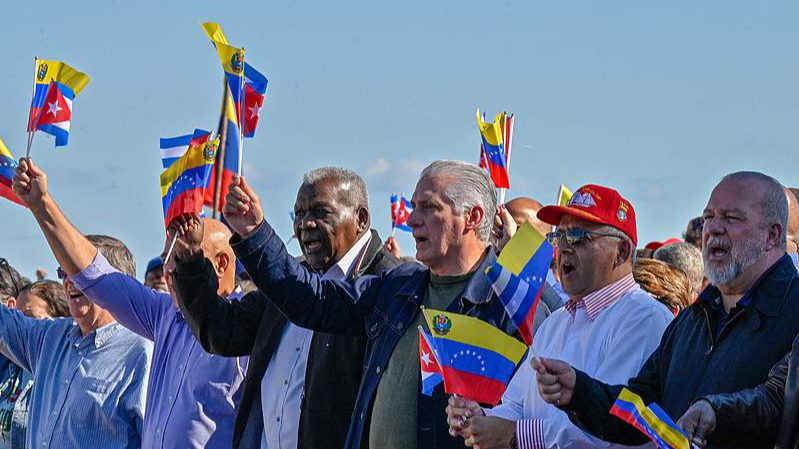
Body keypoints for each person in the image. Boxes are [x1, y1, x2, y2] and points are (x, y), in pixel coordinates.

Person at [220, 160, 521, 449]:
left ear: (473, 217)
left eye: (429, 207)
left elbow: (536, 414)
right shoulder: (398, 287)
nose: (411, 219)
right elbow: (314, 300)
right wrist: (254, 235)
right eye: (414, 206)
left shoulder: (508, 304)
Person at [533, 171, 799, 449]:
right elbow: (642, 409)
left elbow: (773, 406)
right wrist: (580, 391)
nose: (714, 228)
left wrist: (717, 413)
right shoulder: (691, 320)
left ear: (772, 235)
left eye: (732, 218)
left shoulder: (793, 313)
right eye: (709, 217)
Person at [14, 158, 249, 449]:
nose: (167, 271)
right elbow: (95, 275)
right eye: (166, 259)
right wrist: (41, 204)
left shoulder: (253, 326)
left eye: (182, 256)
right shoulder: (165, 316)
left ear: (221, 263)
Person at [173, 167, 401, 449]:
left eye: (320, 212)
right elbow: (223, 332)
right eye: (300, 213)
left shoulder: (390, 285)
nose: (306, 224)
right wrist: (190, 259)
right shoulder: (288, 281)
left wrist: (257, 236)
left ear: (361, 219)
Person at [445, 184, 673, 449]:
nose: (563, 248)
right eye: (559, 237)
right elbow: (517, 405)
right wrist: (480, 418)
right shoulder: (556, 322)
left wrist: (514, 435)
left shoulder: (645, 320)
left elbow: (613, 429)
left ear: (621, 252)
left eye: (578, 236)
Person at [1, 224, 151, 449]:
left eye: (78, 270)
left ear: (117, 282)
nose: (69, 281)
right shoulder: (50, 338)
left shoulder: (142, 352)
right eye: (64, 272)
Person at [0, 280, 70, 449]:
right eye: (17, 317)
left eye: (30, 318)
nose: (22, 325)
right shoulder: (7, 367)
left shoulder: (62, 378)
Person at [492, 197, 564, 331]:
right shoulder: (486, 284)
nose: (505, 235)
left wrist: (514, 250)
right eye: (501, 226)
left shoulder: (567, 293)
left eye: (519, 231)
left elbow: (561, 320)